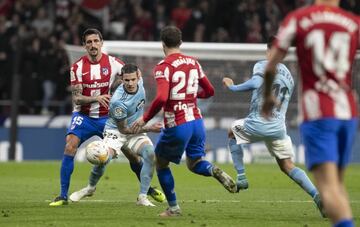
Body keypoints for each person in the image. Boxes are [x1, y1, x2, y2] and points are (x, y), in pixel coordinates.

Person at [261, 1, 359, 226]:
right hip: (348, 113)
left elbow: (271, 64)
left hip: (318, 113)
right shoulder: (353, 22)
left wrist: (268, 97)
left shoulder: (299, 19)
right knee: (337, 185)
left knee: (328, 188)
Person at [132, 26, 237, 217]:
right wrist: (191, 95)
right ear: (180, 43)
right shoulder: (194, 63)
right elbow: (210, 91)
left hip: (177, 123)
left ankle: (173, 209)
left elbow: (162, 98)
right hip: (197, 122)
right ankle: (213, 170)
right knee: (195, 163)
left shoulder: (163, 67)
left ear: (162, 44)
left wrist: (145, 118)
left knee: (161, 164)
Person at [49, 28, 162, 206]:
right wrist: (96, 97)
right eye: (89, 42)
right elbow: (76, 98)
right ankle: (63, 196)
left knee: (132, 155)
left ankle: (147, 189)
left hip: (108, 119)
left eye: (96, 41)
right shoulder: (77, 67)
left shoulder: (114, 63)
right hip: (84, 116)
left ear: (101, 43)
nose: (93, 45)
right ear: (84, 45)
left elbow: (130, 77)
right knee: (70, 146)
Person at [223, 36, 325, 217]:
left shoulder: (262, 64)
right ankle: (317, 196)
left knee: (231, 132)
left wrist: (233, 87)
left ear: (268, 50)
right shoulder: (289, 76)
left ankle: (241, 177)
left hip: (258, 122)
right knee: (287, 165)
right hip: (278, 128)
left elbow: (257, 83)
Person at [69, 64, 165, 206]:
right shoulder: (118, 102)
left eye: (133, 79)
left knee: (150, 153)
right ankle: (90, 188)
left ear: (138, 76)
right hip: (116, 131)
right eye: (127, 80)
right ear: (122, 79)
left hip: (135, 130)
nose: (130, 83)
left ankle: (143, 196)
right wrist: (150, 128)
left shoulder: (141, 81)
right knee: (103, 157)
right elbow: (124, 130)